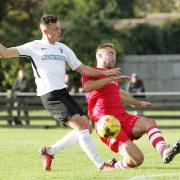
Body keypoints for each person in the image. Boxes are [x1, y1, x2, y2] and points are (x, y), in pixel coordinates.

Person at [0, 14, 125, 171]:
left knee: (87, 127)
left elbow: (83, 68)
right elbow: (4, 53)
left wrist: (106, 73)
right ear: (46, 31)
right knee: (81, 127)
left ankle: (49, 151)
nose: (60, 31)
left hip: (63, 93)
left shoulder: (63, 48)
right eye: (56, 29)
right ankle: (101, 165)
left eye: (60, 27)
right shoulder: (33, 46)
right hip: (50, 95)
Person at [82, 42, 180, 170]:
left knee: (149, 122)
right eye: (110, 53)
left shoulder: (112, 75)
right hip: (107, 124)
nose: (114, 57)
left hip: (122, 117)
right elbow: (87, 87)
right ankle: (114, 166)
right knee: (137, 159)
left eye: (115, 55)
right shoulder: (92, 72)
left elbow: (120, 93)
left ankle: (164, 151)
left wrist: (139, 103)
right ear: (99, 55)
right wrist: (108, 78)